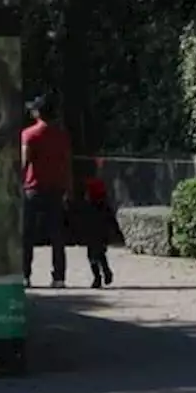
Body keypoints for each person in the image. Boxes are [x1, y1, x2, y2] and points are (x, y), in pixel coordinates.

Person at [21, 95, 73, 288]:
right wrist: (69, 188)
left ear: (37, 113)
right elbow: (66, 163)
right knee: (57, 235)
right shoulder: (62, 135)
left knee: (27, 234)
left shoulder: (29, 134)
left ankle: (25, 275)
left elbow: (24, 162)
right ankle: (59, 277)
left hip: (33, 188)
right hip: (56, 188)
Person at [72, 174, 119, 289]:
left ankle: (97, 277)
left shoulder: (87, 206)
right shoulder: (105, 206)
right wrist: (116, 233)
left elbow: (80, 221)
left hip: (91, 236)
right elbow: (112, 220)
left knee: (92, 257)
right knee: (101, 255)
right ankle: (106, 272)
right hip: (103, 235)